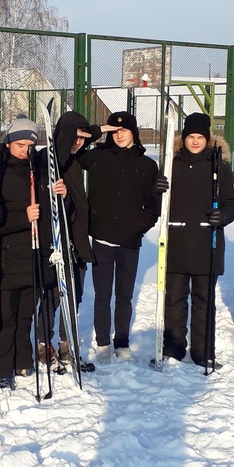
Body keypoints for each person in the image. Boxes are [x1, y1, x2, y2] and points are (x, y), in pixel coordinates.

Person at [75, 110, 163, 364]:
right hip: (102, 238)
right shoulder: (97, 157)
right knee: (102, 296)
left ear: (134, 132)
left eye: (124, 130)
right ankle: (102, 342)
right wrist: (98, 130)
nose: (120, 134)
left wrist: (140, 226)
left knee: (124, 296)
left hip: (130, 242)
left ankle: (121, 342)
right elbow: (73, 153)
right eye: (114, 130)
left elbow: (153, 204)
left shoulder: (147, 165)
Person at [162, 112, 234, 366]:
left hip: (208, 243)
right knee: (174, 299)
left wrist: (223, 215)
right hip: (177, 243)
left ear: (208, 139)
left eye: (200, 137)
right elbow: (155, 202)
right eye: (191, 137)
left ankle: (203, 351)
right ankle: (173, 348)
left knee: (204, 301)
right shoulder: (171, 164)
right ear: (184, 138)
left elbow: (233, 204)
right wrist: (156, 188)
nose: (195, 142)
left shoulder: (220, 167)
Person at [0, 114, 55, 390]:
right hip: (8, 255)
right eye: (20, 145)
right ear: (8, 144)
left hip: (34, 254)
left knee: (26, 312)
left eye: (30, 145)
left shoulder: (38, 170)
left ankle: (22, 360)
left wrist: (55, 193)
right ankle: (3, 368)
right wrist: (22, 217)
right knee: (7, 316)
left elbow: (48, 213)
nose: (26, 150)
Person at [47, 110, 99, 371]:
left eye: (83, 138)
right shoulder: (52, 160)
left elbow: (80, 142)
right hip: (56, 240)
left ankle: (67, 345)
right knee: (54, 296)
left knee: (74, 295)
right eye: (74, 137)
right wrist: (64, 197)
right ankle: (43, 344)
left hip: (77, 240)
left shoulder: (76, 161)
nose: (78, 142)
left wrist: (100, 131)